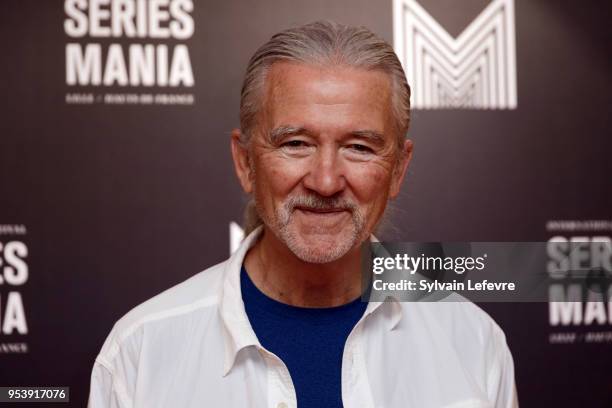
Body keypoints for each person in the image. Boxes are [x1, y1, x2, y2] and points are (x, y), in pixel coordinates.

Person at [88, 21, 518, 408]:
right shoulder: (141, 352)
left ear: (398, 170)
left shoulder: (473, 343)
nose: (325, 181)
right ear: (245, 163)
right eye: (295, 143)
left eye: (359, 147)